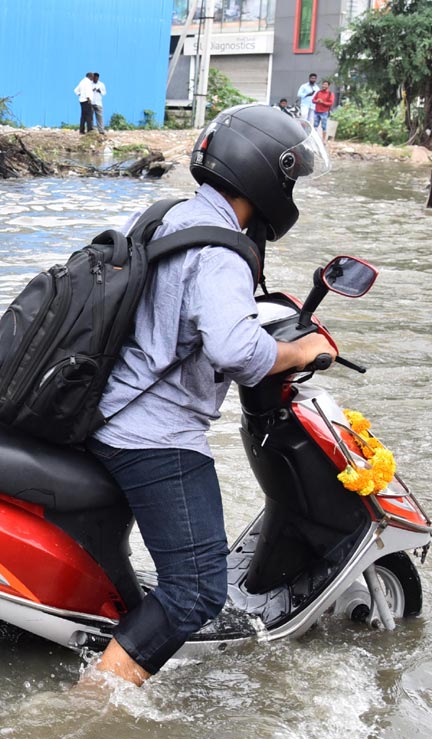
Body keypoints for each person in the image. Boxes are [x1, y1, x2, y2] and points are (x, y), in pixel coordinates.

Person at [85, 105, 335, 685]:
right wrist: (299, 352)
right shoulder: (222, 250)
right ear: (267, 176)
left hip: (103, 411)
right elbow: (235, 351)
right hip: (152, 432)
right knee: (195, 590)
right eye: (290, 177)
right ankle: (90, 702)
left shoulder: (165, 217)